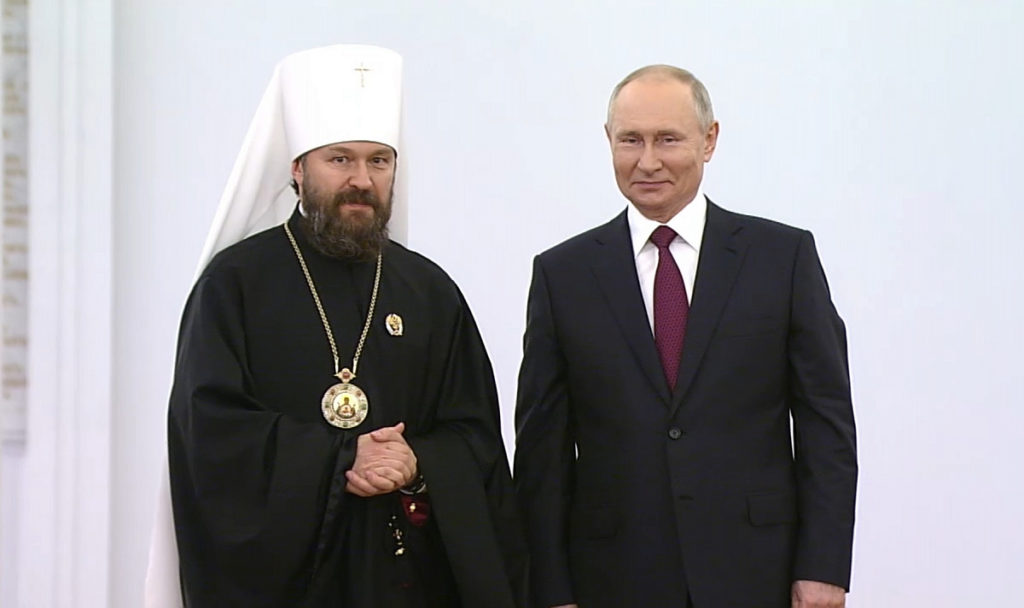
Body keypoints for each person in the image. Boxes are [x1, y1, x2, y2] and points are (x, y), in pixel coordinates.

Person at [157, 44, 526, 607]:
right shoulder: (234, 285)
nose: (361, 179)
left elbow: (474, 436)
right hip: (287, 585)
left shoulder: (429, 292)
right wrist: (341, 457)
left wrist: (417, 462)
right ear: (297, 169)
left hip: (404, 581)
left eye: (379, 161)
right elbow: (209, 434)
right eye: (340, 159)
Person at [514, 65, 857, 608]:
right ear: (608, 140)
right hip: (612, 577)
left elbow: (826, 425)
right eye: (631, 140)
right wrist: (550, 588)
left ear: (709, 140)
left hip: (758, 572)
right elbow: (541, 452)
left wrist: (823, 568)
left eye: (668, 139)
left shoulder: (782, 258)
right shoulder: (563, 275)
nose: (647, 161)